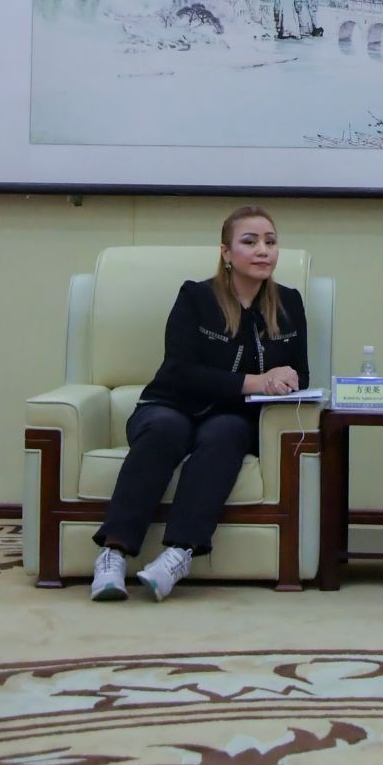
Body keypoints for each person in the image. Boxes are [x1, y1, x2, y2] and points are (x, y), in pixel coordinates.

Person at [89, 205, 309, 601]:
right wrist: (256, 381)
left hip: (232, 416)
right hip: (169, 404)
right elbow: (180, 371)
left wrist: (289, 378)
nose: (263, 250)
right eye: (250, 242)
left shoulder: (289, 303)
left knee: (226, 433)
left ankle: (178, 554)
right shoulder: (196, 296)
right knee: (164, 431)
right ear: (226, 253)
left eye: (270, 242)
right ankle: (114, 553)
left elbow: (301, 374)